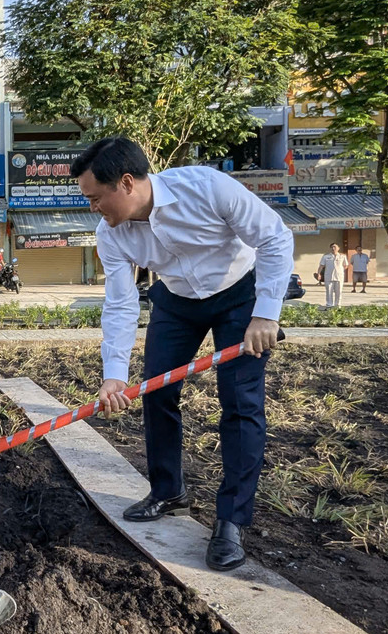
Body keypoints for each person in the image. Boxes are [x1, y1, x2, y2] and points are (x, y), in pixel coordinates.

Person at [78, 137, 291, 573]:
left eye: (96, 198)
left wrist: (266, 314)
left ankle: (231, 520)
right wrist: (114, 374)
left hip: (239, 297)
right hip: (175, 300)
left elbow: (274, 237)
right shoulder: (110, 235)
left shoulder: (208, 188)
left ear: (125, 183)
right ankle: (167, 492)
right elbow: (119, 303)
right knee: (157, 391)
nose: (94, 208)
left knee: (240, 403)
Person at [316, 243, 347, 309]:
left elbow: (346, 265)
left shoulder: (342, 256)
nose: (333, 248)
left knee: (339, 291)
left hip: (339, 276)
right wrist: (319, 274)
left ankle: (337, 305)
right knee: (329, 291)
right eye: (332, 247)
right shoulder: (326, 256)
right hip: (329, 276)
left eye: (335, 247)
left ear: (338, 248)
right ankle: (329, 305)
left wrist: (340, 270)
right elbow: (321, 266)